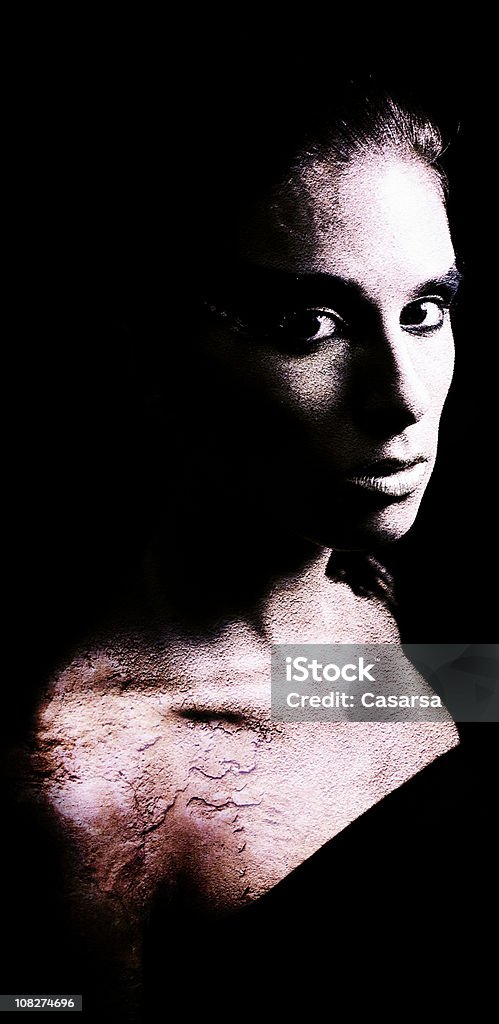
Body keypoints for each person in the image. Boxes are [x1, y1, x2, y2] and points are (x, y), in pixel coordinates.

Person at [26, 75, 462, 1015]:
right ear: (146, 348)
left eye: (425, 310)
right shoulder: (98, 783)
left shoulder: (376, 588)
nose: (401, 399)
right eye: (310, 324)